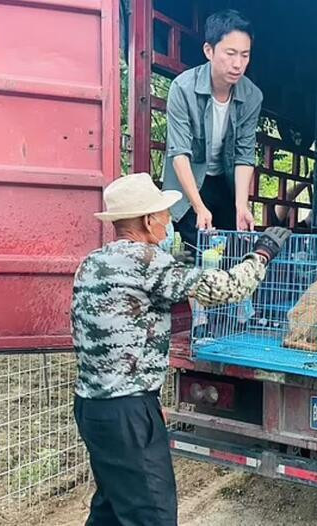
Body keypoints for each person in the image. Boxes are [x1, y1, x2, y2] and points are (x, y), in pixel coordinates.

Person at [71, 172, 290, 525]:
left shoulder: (91, 262)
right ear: (146, 220)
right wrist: (262, 253)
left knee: (112, 507)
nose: (170, 220)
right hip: (127, 411)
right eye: (164, 213)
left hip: (91, 407)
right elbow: (227, 288)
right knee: (153, 516)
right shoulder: (146, 261)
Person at [162, 9, 263, 251]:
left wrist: (242, 204)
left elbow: (244, 154)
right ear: (209, 51)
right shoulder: (182, 88)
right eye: (230, 54)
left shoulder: (252, 96)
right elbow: (179, 153)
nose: (238, 64)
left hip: (226, 182)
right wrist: (198, 207)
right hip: (191, 182)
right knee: (199, 250)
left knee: (234, 250)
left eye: (245, 55)